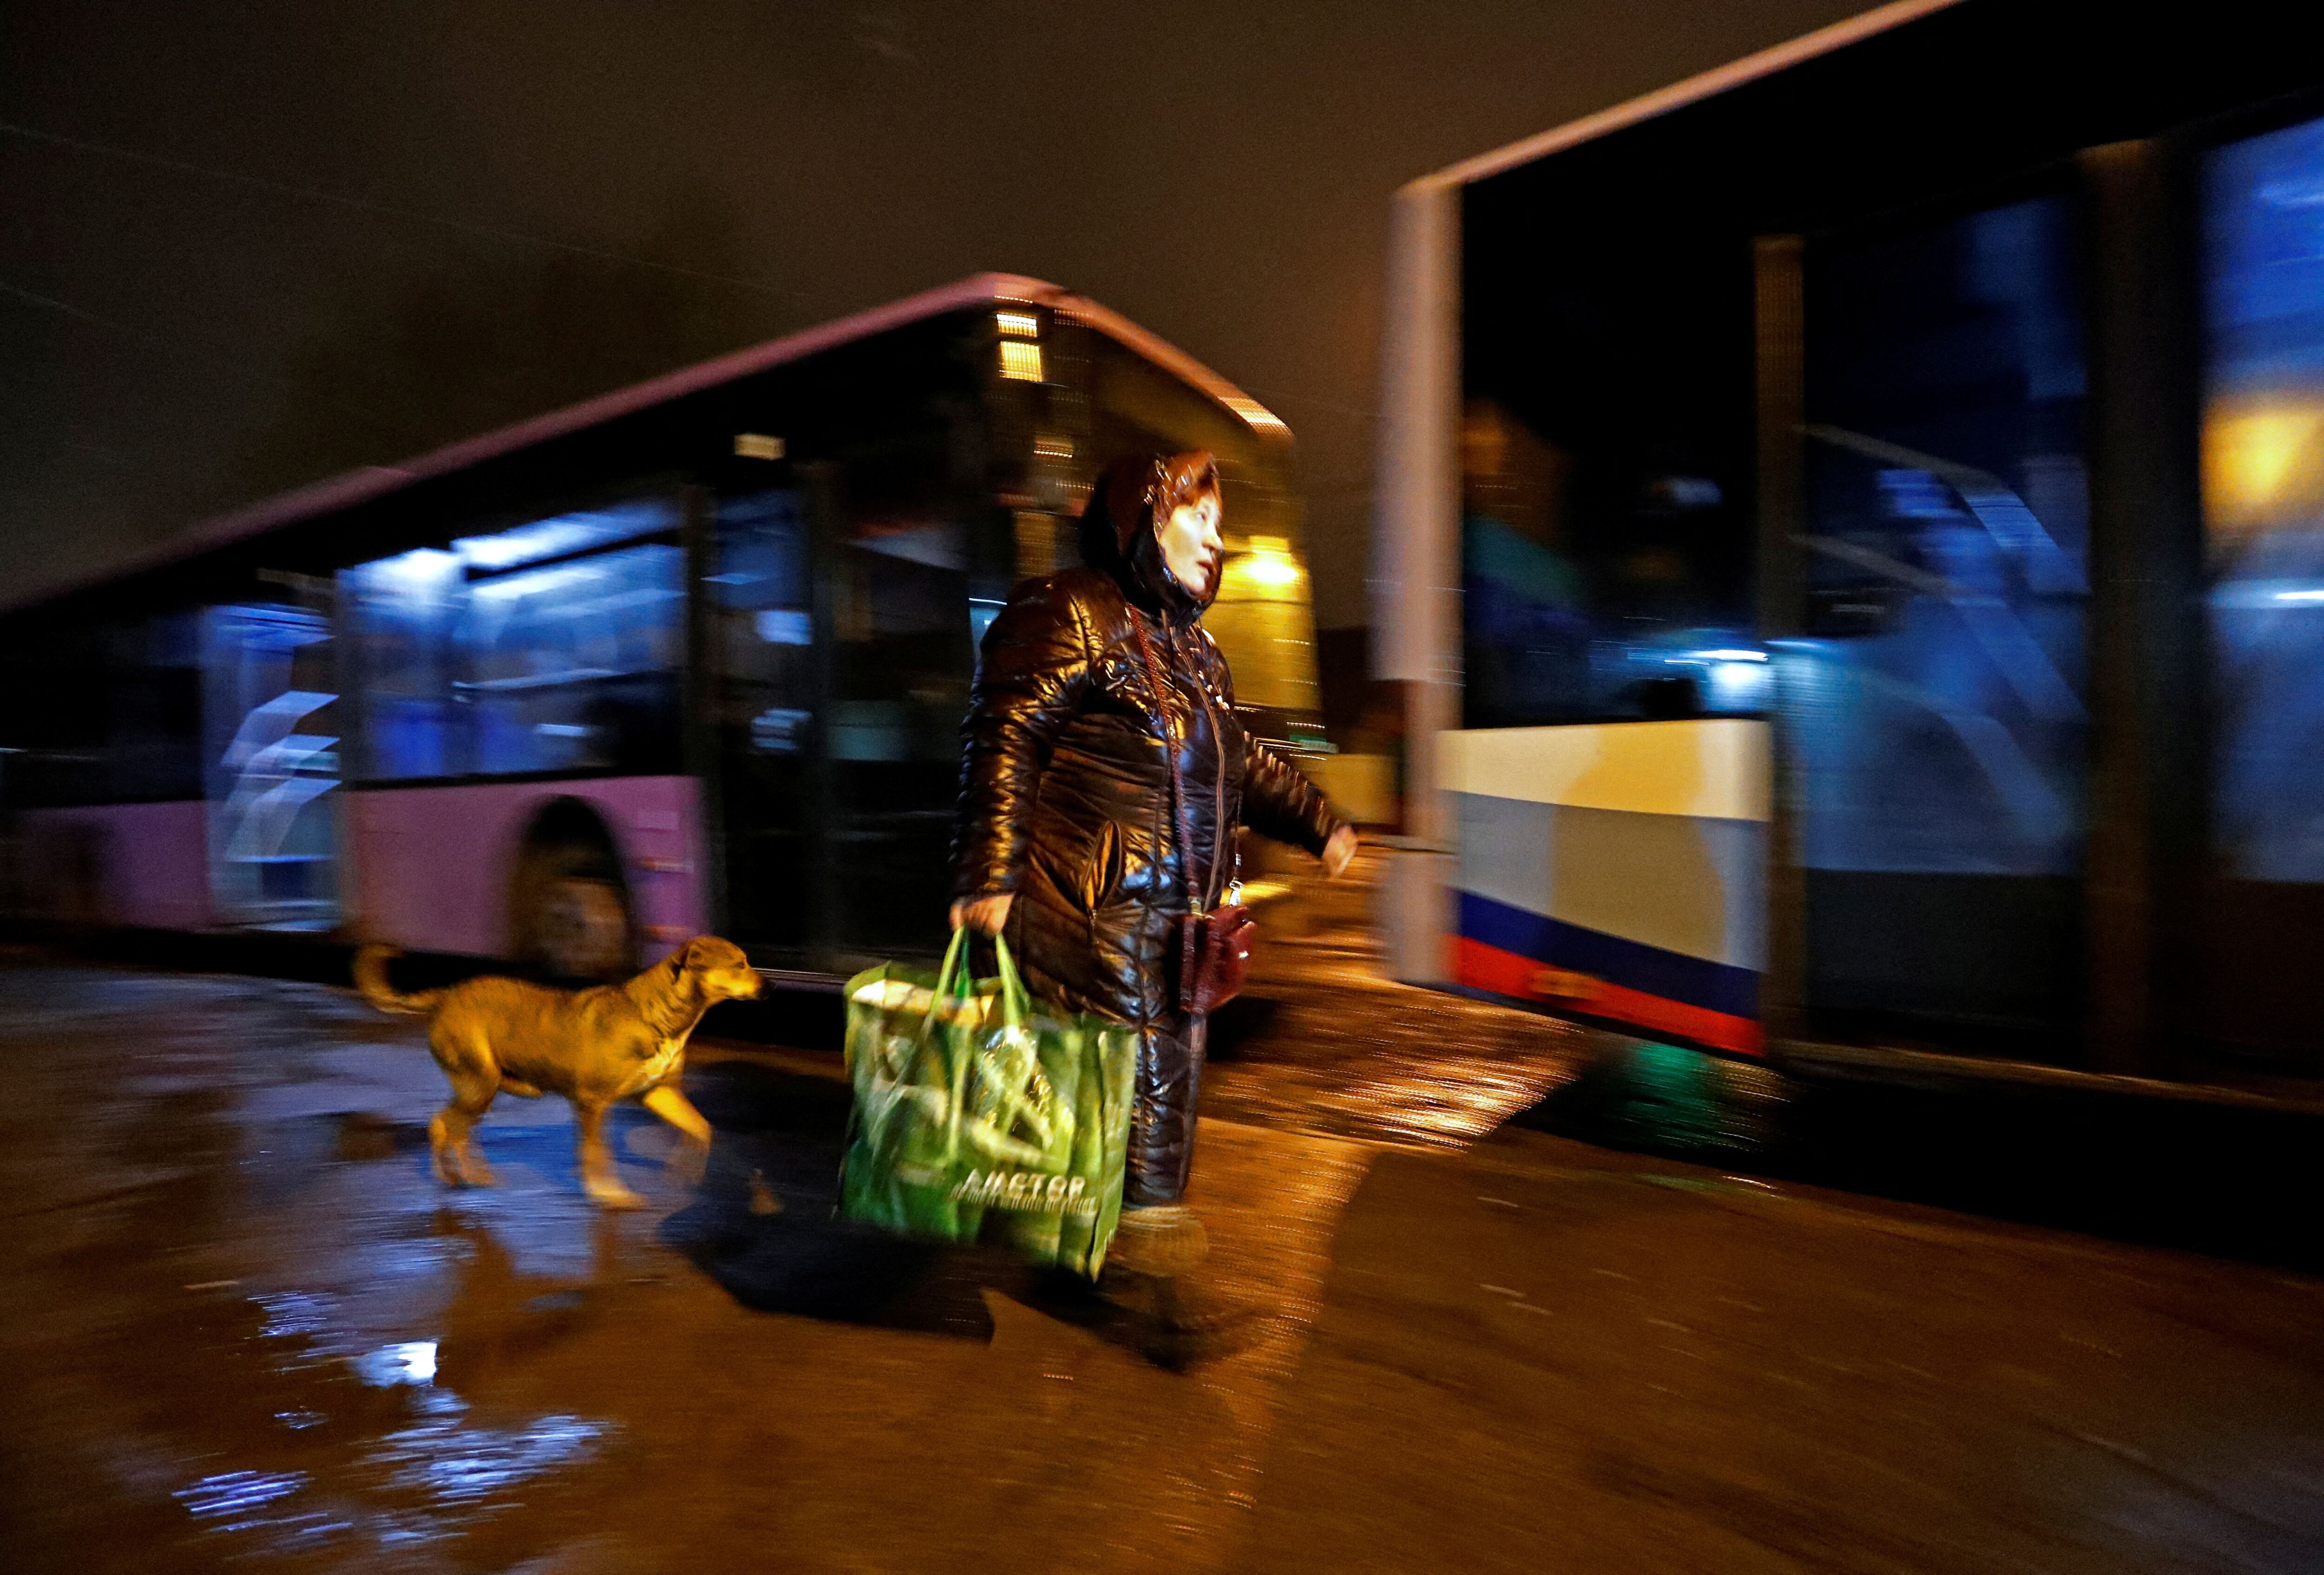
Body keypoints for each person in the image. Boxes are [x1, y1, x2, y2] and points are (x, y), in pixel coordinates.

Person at [950, 450, 1356, 1331]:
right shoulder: (1072, 610)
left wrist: (1319, 820)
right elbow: (1005, 736)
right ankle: (1164, 1298)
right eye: (1199, 517)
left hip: (1175, 915)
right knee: (1140, 1082)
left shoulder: (1193, 650)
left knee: (1142, 1081)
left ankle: (1083, 1253)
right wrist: (989, 870)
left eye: (1219, 523)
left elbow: (1240, 762)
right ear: (1144, 516)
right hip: (1092, 905)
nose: (1218, 538)